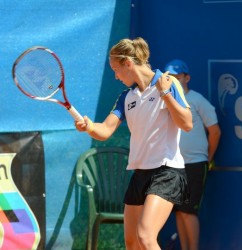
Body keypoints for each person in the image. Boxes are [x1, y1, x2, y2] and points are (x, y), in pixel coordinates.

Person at [75, 37, 193, 250]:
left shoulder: (168, 83)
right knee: (132, 242)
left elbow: (187, 124)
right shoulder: (126, 97)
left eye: (116, 69)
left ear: (128, 63)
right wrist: (89, 126)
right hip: (140, 174)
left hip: (167, 172)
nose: (116, 76)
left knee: (146, 236)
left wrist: (165, 93)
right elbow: (106, 130)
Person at [164, 59, 221, 250]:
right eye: (169, 78)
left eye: (177, 77)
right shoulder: (166, 102)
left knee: (188, 212)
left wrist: (208, 159)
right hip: (173, 166)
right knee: (179, 212)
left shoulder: (197, 100)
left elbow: (215, 131)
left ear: (187, 78)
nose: (173, 81)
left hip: (195, 164)